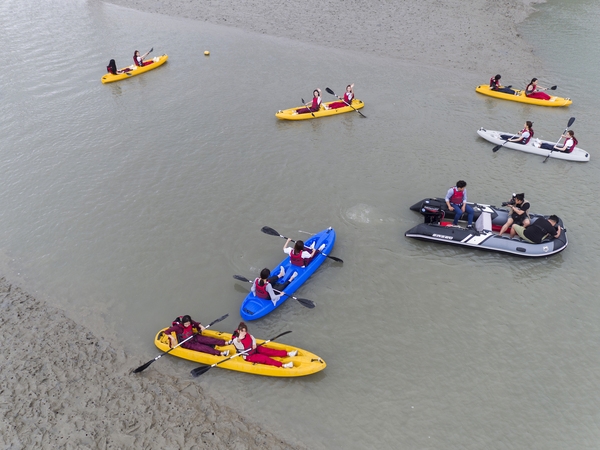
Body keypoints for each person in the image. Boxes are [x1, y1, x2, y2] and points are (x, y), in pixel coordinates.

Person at [231, 322, 297, 368]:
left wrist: (254, 344)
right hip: (249, 356)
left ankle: (288, 354)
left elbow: (252, 337)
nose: (244, 333)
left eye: (245, 331)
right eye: (242, 331)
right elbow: (237, 341)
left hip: (255, 348)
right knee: (265, 358)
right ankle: (283, 365)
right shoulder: (236, 341)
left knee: (269, 351)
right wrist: (239, 338)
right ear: (239, 332)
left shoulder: (246, 334)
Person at [159, 315, 229, 356]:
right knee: (203, 348)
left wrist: (201, 327)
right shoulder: (178, 327)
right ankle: (221, 353)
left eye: (188, 323)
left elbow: (197, 324)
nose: (187, 325)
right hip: (186, 343)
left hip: (194, 337)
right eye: (186, 324)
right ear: (182, 323)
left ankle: (226, 342)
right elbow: (166, 331)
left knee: (209, 339)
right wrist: (172, 338)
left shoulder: (190, 322)